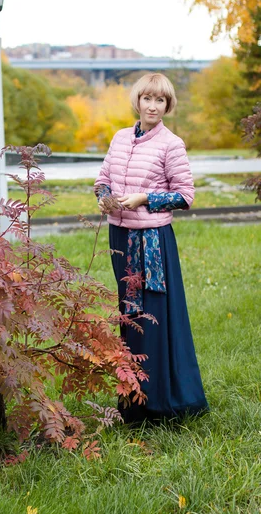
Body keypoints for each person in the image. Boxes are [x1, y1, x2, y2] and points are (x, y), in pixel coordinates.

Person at [95, 73, 208, 424]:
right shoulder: (119, 138)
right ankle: (132, 400)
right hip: (120, 237)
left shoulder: (171, 144)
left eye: (161, 100)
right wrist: (104, 197)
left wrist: (146, 197)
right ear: (138, 101)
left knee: (152, 318)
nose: (153, 106)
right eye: (148, 99)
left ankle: (158, 403)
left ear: (168, 105)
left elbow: (185, 196)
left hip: (152, 243)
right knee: (128, 317)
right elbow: (102, 179)